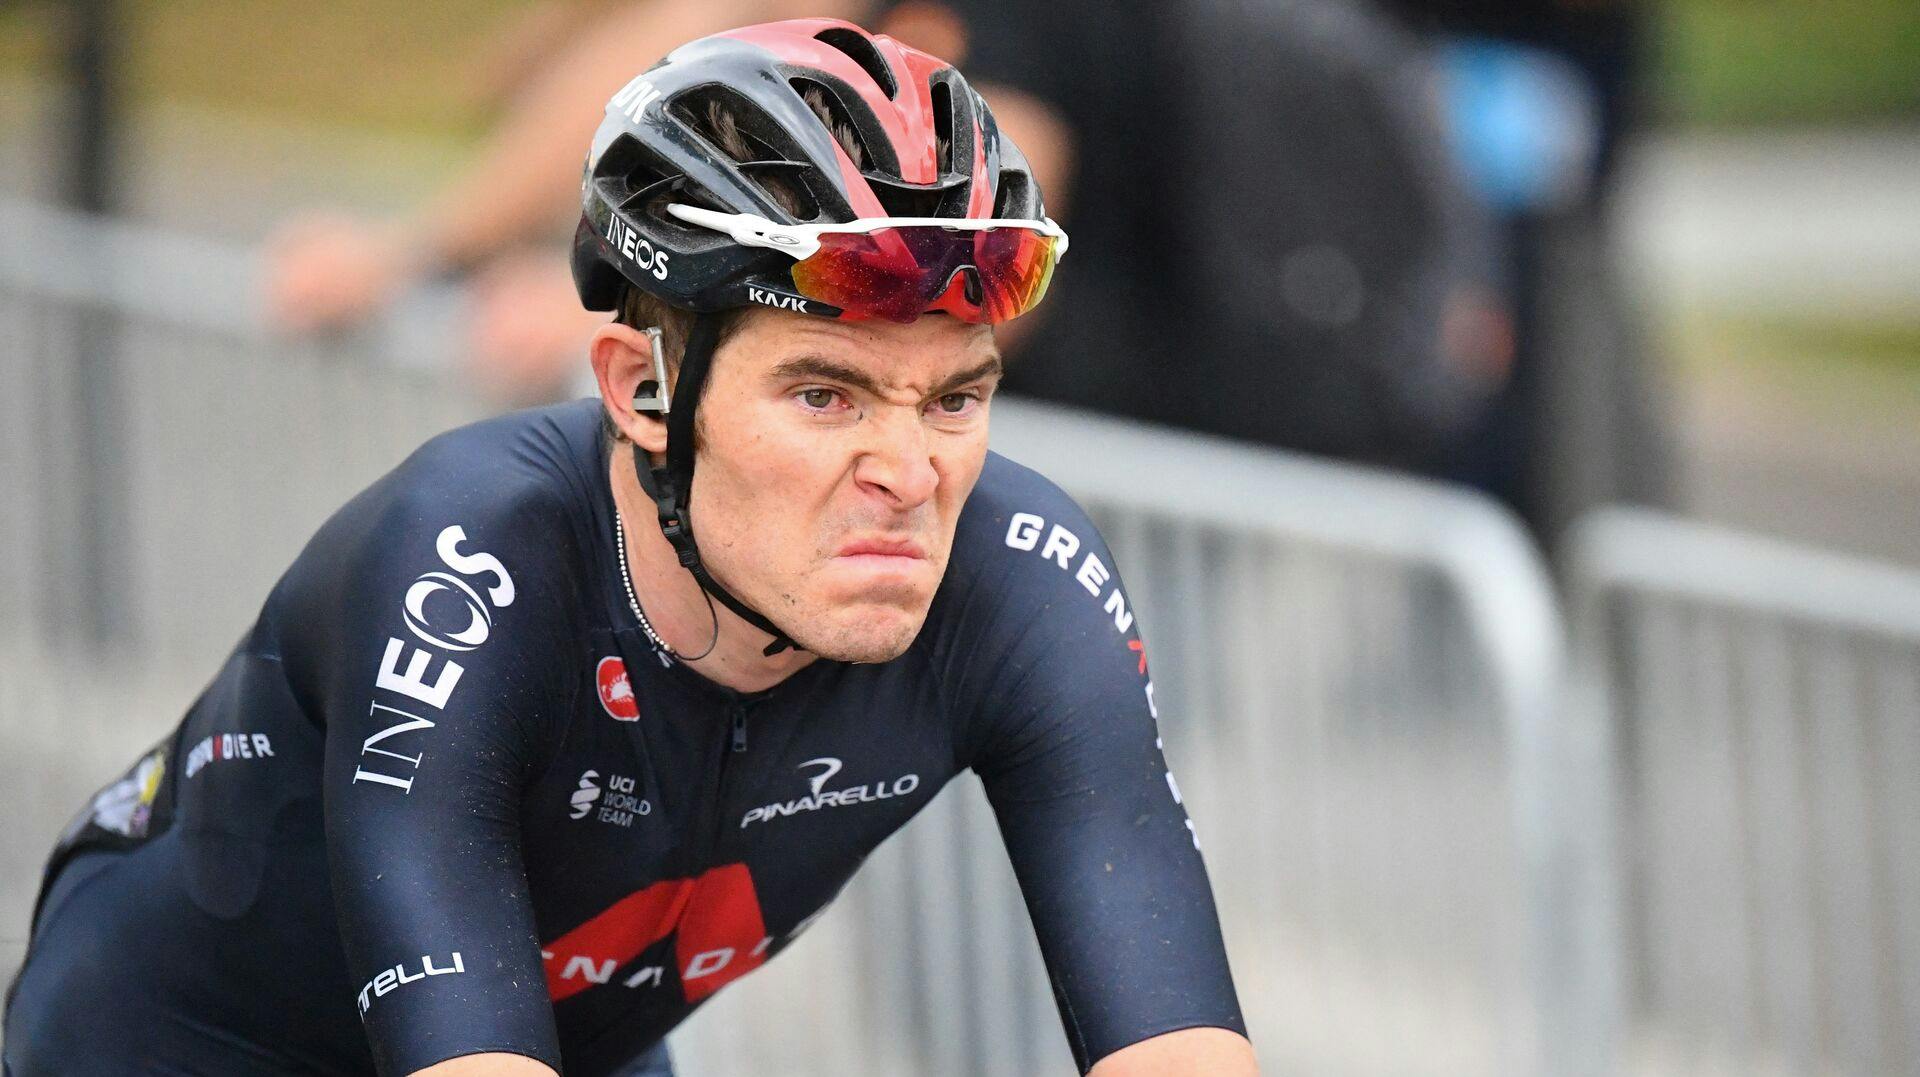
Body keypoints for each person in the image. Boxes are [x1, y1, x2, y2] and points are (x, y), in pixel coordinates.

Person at [4, 20, 1254, 1077]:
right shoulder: (472, 562)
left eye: (955, 398)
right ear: (641, 392)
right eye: (825, 396)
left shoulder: (1022, 580)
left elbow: (1180, 1043)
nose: (909, 473)